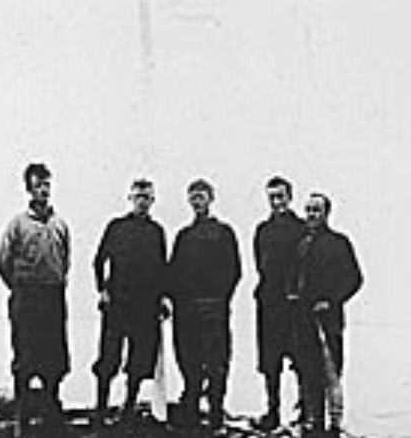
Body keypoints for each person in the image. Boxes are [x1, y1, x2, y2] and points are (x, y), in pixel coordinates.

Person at [0, 162, 71, 434]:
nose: (44, 190)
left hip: (53, 297)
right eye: (38, 185)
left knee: (55, 357)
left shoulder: (60, 224)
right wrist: (20, 287)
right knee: (25, 357)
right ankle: (22, 418)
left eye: (47, 184)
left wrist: (54, 283)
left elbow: (65, 261)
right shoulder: (17, 224)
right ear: (29, 188)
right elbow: (3, 262)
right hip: (27, 298)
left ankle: (52, 412)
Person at [91, 178, 168, 426]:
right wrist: (102, 290)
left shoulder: (157, 232)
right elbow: (98, 260)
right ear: (130, 199)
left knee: (139, 359)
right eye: (137, 197)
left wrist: (163, 298)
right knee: (108, 357)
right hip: (117, 304)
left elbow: (161, 269)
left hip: (145, 306)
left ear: (152, 201)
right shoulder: (116, 227)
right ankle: (101, 409)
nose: (142, 202)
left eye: (146, 198)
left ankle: (128, 408)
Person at [167, 179, 241, 432]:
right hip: (186, 310)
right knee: (188, 359)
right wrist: (170, 300)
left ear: (211, 198)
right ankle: (191, 411)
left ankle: (216, 413)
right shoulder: (184, 236)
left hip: (213, 307)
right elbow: (173, 273)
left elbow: (234, 271)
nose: (197, 202)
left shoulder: (223, 232)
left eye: (201, 197)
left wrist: (219, 300)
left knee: (216, 361)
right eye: (193, 198)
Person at [289, 193, 362, 437]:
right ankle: (314, 422)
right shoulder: (301, 244)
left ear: (326, 213)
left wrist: (330, 301)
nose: (311, 215)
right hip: (303, 318)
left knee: (331, 371)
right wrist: (292, 295)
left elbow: (354, 279)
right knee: (308, 371)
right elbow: (294, 278)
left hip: (327, 321)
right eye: (308, 210)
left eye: (316, 210)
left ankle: (335, 425)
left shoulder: (338, 243)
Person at [253, 176, 304, 430]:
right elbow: (260, 264)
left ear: (290, 197)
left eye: (280, 196)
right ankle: (271, 412)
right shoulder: (263, 230)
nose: (276, 202)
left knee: (300, 360)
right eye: (272, 197)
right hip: (269, 304)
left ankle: (304, 413)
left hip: (294, 306)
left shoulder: (301, 228)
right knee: (269, 363)